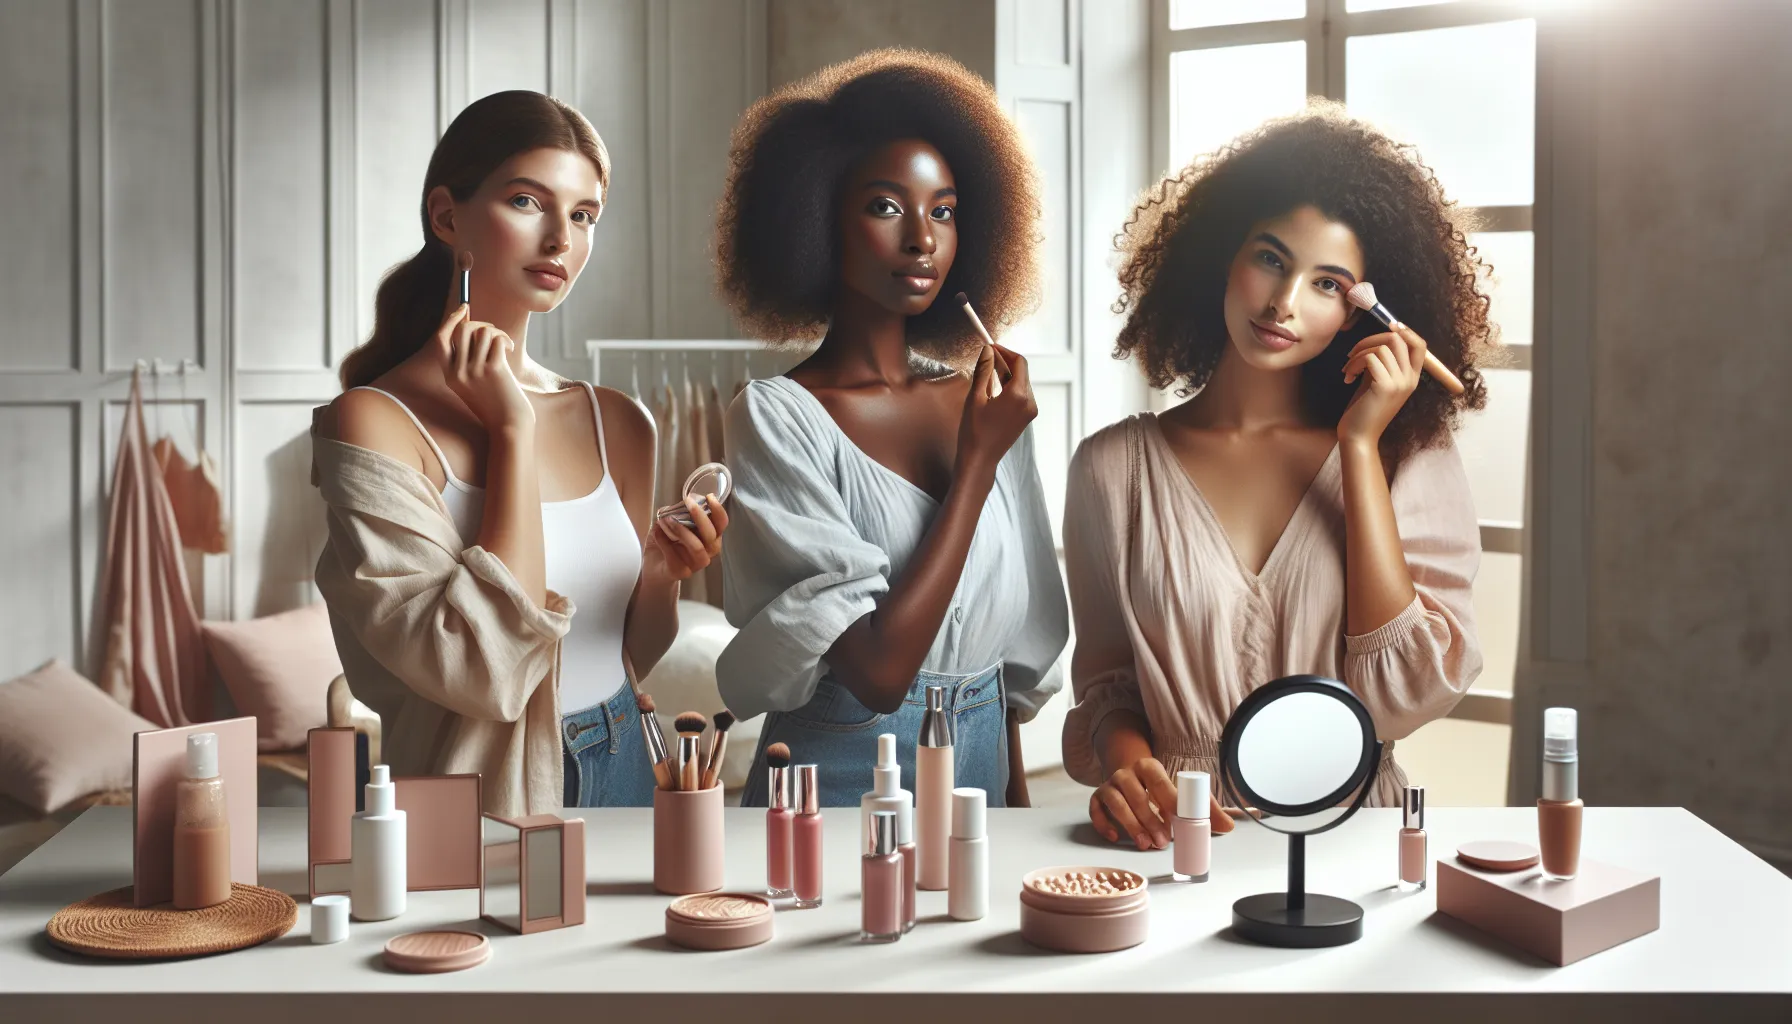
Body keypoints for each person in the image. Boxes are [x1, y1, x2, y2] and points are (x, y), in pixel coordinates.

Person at [1064, 104, 1488, 849]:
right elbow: (1109, 691)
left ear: (1364, 314)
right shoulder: (1112, 471)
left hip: (1352, 837)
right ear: (1220, 256)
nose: (1282, 303)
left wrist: (1359, 448)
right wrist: (1128, 767)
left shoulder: (1404, 454)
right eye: (1270, 258)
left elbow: (1402, 697)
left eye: (1329, 284)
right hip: (1185, 840)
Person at [312, 91, 725, 814]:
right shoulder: (372, 422)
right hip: (479, 787)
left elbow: (629, 653)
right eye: (529, 202)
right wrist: (511, 432)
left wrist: (660, 573)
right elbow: (483, 673)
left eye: (584, 214)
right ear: (447, 216)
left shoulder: (619, 421)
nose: (562, 239)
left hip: (626, 752)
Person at [713, 50, 1068, 808]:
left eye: (942, 210)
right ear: (817, 218)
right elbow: (877, 673)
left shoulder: (987, 400)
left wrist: (1011, 796)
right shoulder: (777, 417)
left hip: (979, 762)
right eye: (885, 207)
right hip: (838, 771)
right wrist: (975, 467)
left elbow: (1013, 655)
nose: (922, 240)